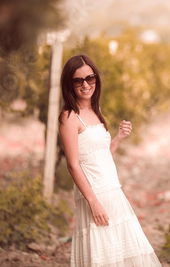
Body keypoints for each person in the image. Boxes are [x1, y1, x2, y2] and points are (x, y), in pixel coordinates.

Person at [59, 53, 162, 267]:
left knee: (123, 253)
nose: (86, 84)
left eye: (90, 78)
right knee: (103, 255)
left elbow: (100, 155)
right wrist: (93, 202)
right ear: (69, 84)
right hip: (94, 195)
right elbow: (73, 165)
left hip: (113, 191)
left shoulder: (95, 112)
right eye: (78, 80)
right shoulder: (69, 116)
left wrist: (119, 138)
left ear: (96, 79)